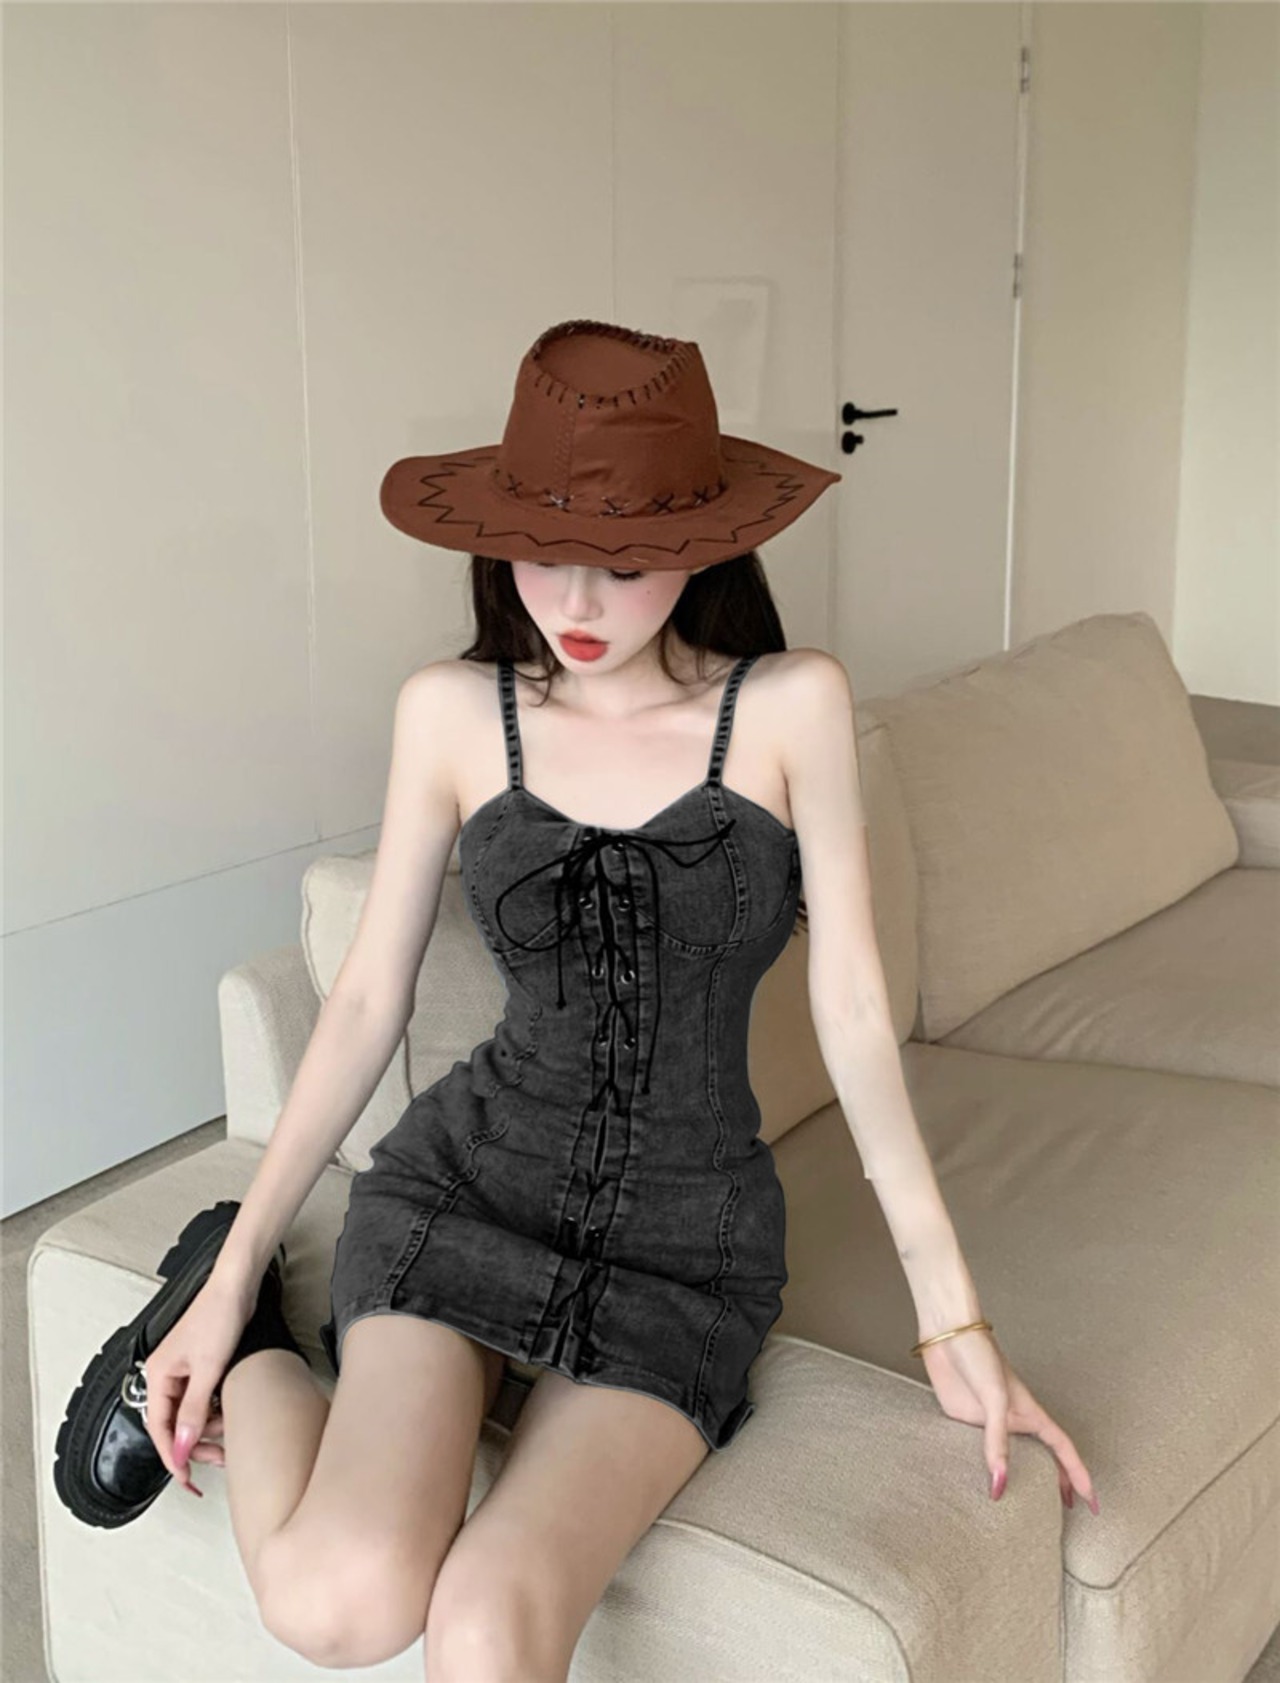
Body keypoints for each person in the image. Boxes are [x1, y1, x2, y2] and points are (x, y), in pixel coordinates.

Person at [54, 319, 1097, 1679]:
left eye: (625, 560)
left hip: (685, 1243)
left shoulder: (790, 708)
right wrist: (243, 1261)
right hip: (465, 1191)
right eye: (544, 551)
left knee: (489, 1623)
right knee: (339, 1603)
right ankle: (243, 1339)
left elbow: (854, 1011)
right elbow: (364, 1002)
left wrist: (953, 1321)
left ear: (702, 544)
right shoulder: (451, 712)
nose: (578, 602)